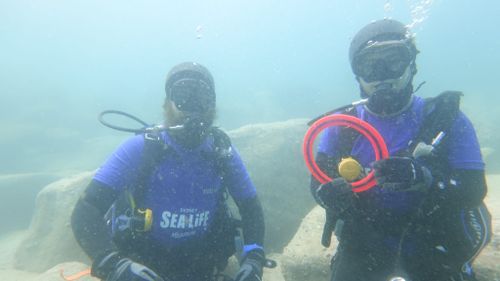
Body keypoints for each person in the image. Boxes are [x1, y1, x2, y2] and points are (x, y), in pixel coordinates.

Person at [310, 19, 491, 281]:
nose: (383, 75)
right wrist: (328, 196)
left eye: (394, 60)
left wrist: (425, 178)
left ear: (412, 65)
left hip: (432, 237)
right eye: (371, 66)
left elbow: (475, 190)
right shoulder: (342, 127)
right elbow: (317, 182)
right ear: (358, 75)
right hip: (366, 239)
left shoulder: (445, 118)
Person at [71, 62, 266, 281]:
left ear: (212, 104)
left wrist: (253, 258)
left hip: (201, 266)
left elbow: (251, 208)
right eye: (183, 96)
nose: (192, 108)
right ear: (168, 104)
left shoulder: (222, 152)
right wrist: (113, 265)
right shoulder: (141, 148)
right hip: (141, 266)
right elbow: (86, 210)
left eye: (201, 98)